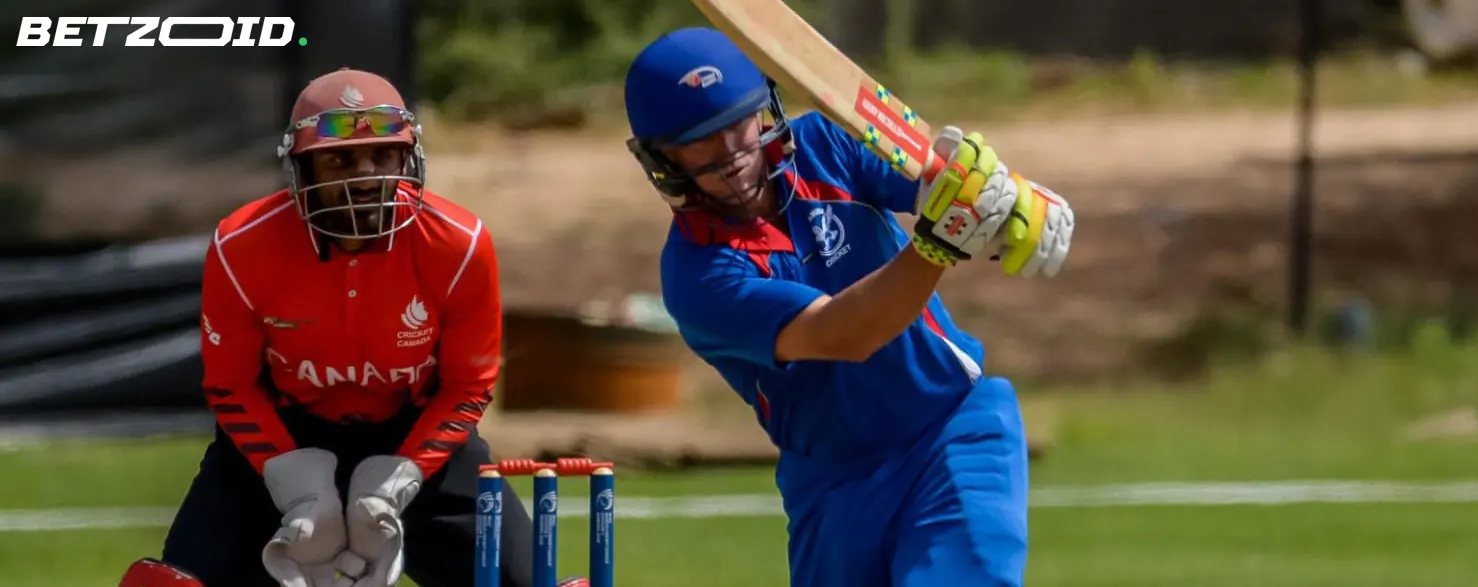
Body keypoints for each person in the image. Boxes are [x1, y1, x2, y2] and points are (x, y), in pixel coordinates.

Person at [626, 28, 1076, 587]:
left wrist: (1011, 201)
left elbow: (937, 179)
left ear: (765, 109)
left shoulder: (827, 145)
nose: (731, 156)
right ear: (662, 158)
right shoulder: (698, 276)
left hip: (949, 428)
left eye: (737, 126)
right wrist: (938, 243)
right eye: (701, 142)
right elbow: (842, 334)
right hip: (832, 485)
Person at [118, 68, 583, 587]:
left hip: (416, 435)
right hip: (282, 436)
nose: (365, 177)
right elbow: (231, 386)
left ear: (409, 158)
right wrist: (291, 479)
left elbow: (468, 386)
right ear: (302, 167)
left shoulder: (460, 244)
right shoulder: (241, 245)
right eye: (340, 158)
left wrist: (404, 476)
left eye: (383, 156)